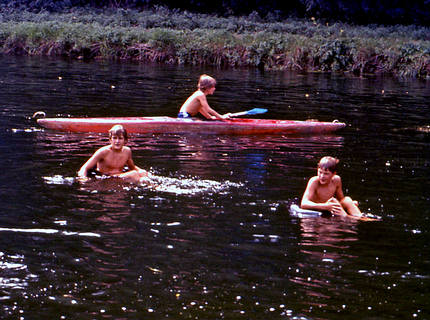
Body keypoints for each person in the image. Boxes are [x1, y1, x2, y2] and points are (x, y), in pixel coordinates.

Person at [77, 125, 148, 184]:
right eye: (114, 138)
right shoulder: (103, 152)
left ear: (125, 140)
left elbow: (132, 167)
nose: (117, 141)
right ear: (110, 140)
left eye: (120, 138)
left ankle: (150, 187)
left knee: (142, 173)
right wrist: (83, 179)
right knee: (134, 174)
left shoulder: (127, 151)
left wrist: (142, 171)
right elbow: (84, 168)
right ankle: (148, 187)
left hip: (119, 177)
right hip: (104, 179)